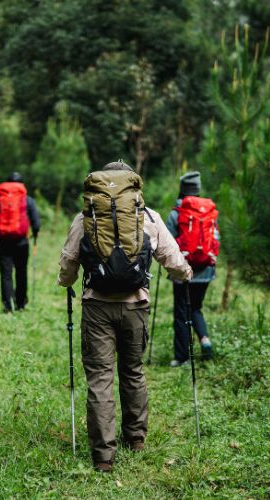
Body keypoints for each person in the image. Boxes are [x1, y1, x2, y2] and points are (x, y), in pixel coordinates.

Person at [58, 161, 192, 473]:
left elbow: (68, 262)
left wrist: (65, 282)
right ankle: (136, 439)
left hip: (97, 307)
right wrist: (186, 273)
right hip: (136, 306)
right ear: (133, 185)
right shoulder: (147, 216)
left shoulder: (87, 216)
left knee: (100, 378)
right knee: (133, 371)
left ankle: (103, 456)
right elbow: (172, 258)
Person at [166, 171, 220, 367]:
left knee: (181, 312)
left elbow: (168, 243)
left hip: (183, 271)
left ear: (182, 189)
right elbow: (216, 239)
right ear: (197, 190)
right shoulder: (209, 212)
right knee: (196, 307)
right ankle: (205, 340)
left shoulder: (177, 213)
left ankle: (182, 357)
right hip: (205, 270)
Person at [0, 172, 41, 313]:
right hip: (21, 243)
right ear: (22, 184)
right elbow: (36, 223)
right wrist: (35, 234)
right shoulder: (28, 200)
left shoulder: (0, 201)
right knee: (21, 272)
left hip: (4, 243)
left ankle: (8, 306)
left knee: (6, 275)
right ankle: (21, 304)